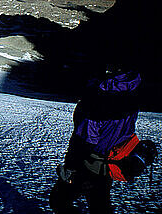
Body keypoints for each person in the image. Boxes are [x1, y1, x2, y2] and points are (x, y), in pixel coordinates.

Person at [50, 65, 141, 213]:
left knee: (58, 201)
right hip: (112, 160)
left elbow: (86, 139)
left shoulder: (96, 100)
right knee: (99, 204)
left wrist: (71, 165)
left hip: (88, 163)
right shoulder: (132, 89)